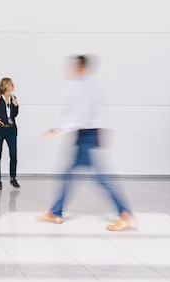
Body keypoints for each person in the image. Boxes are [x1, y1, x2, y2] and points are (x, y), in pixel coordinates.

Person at [38, 55, 138, 231]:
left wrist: (58, 129)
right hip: (85, 135)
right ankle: (55, 212)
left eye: (74, 67)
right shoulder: (88, 85)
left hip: (86, 136)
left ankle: (125, 214)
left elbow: (81, 117)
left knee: (99, 178)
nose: (71, 70)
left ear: (80, 67)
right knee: (69, 174)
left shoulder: (85, 87)